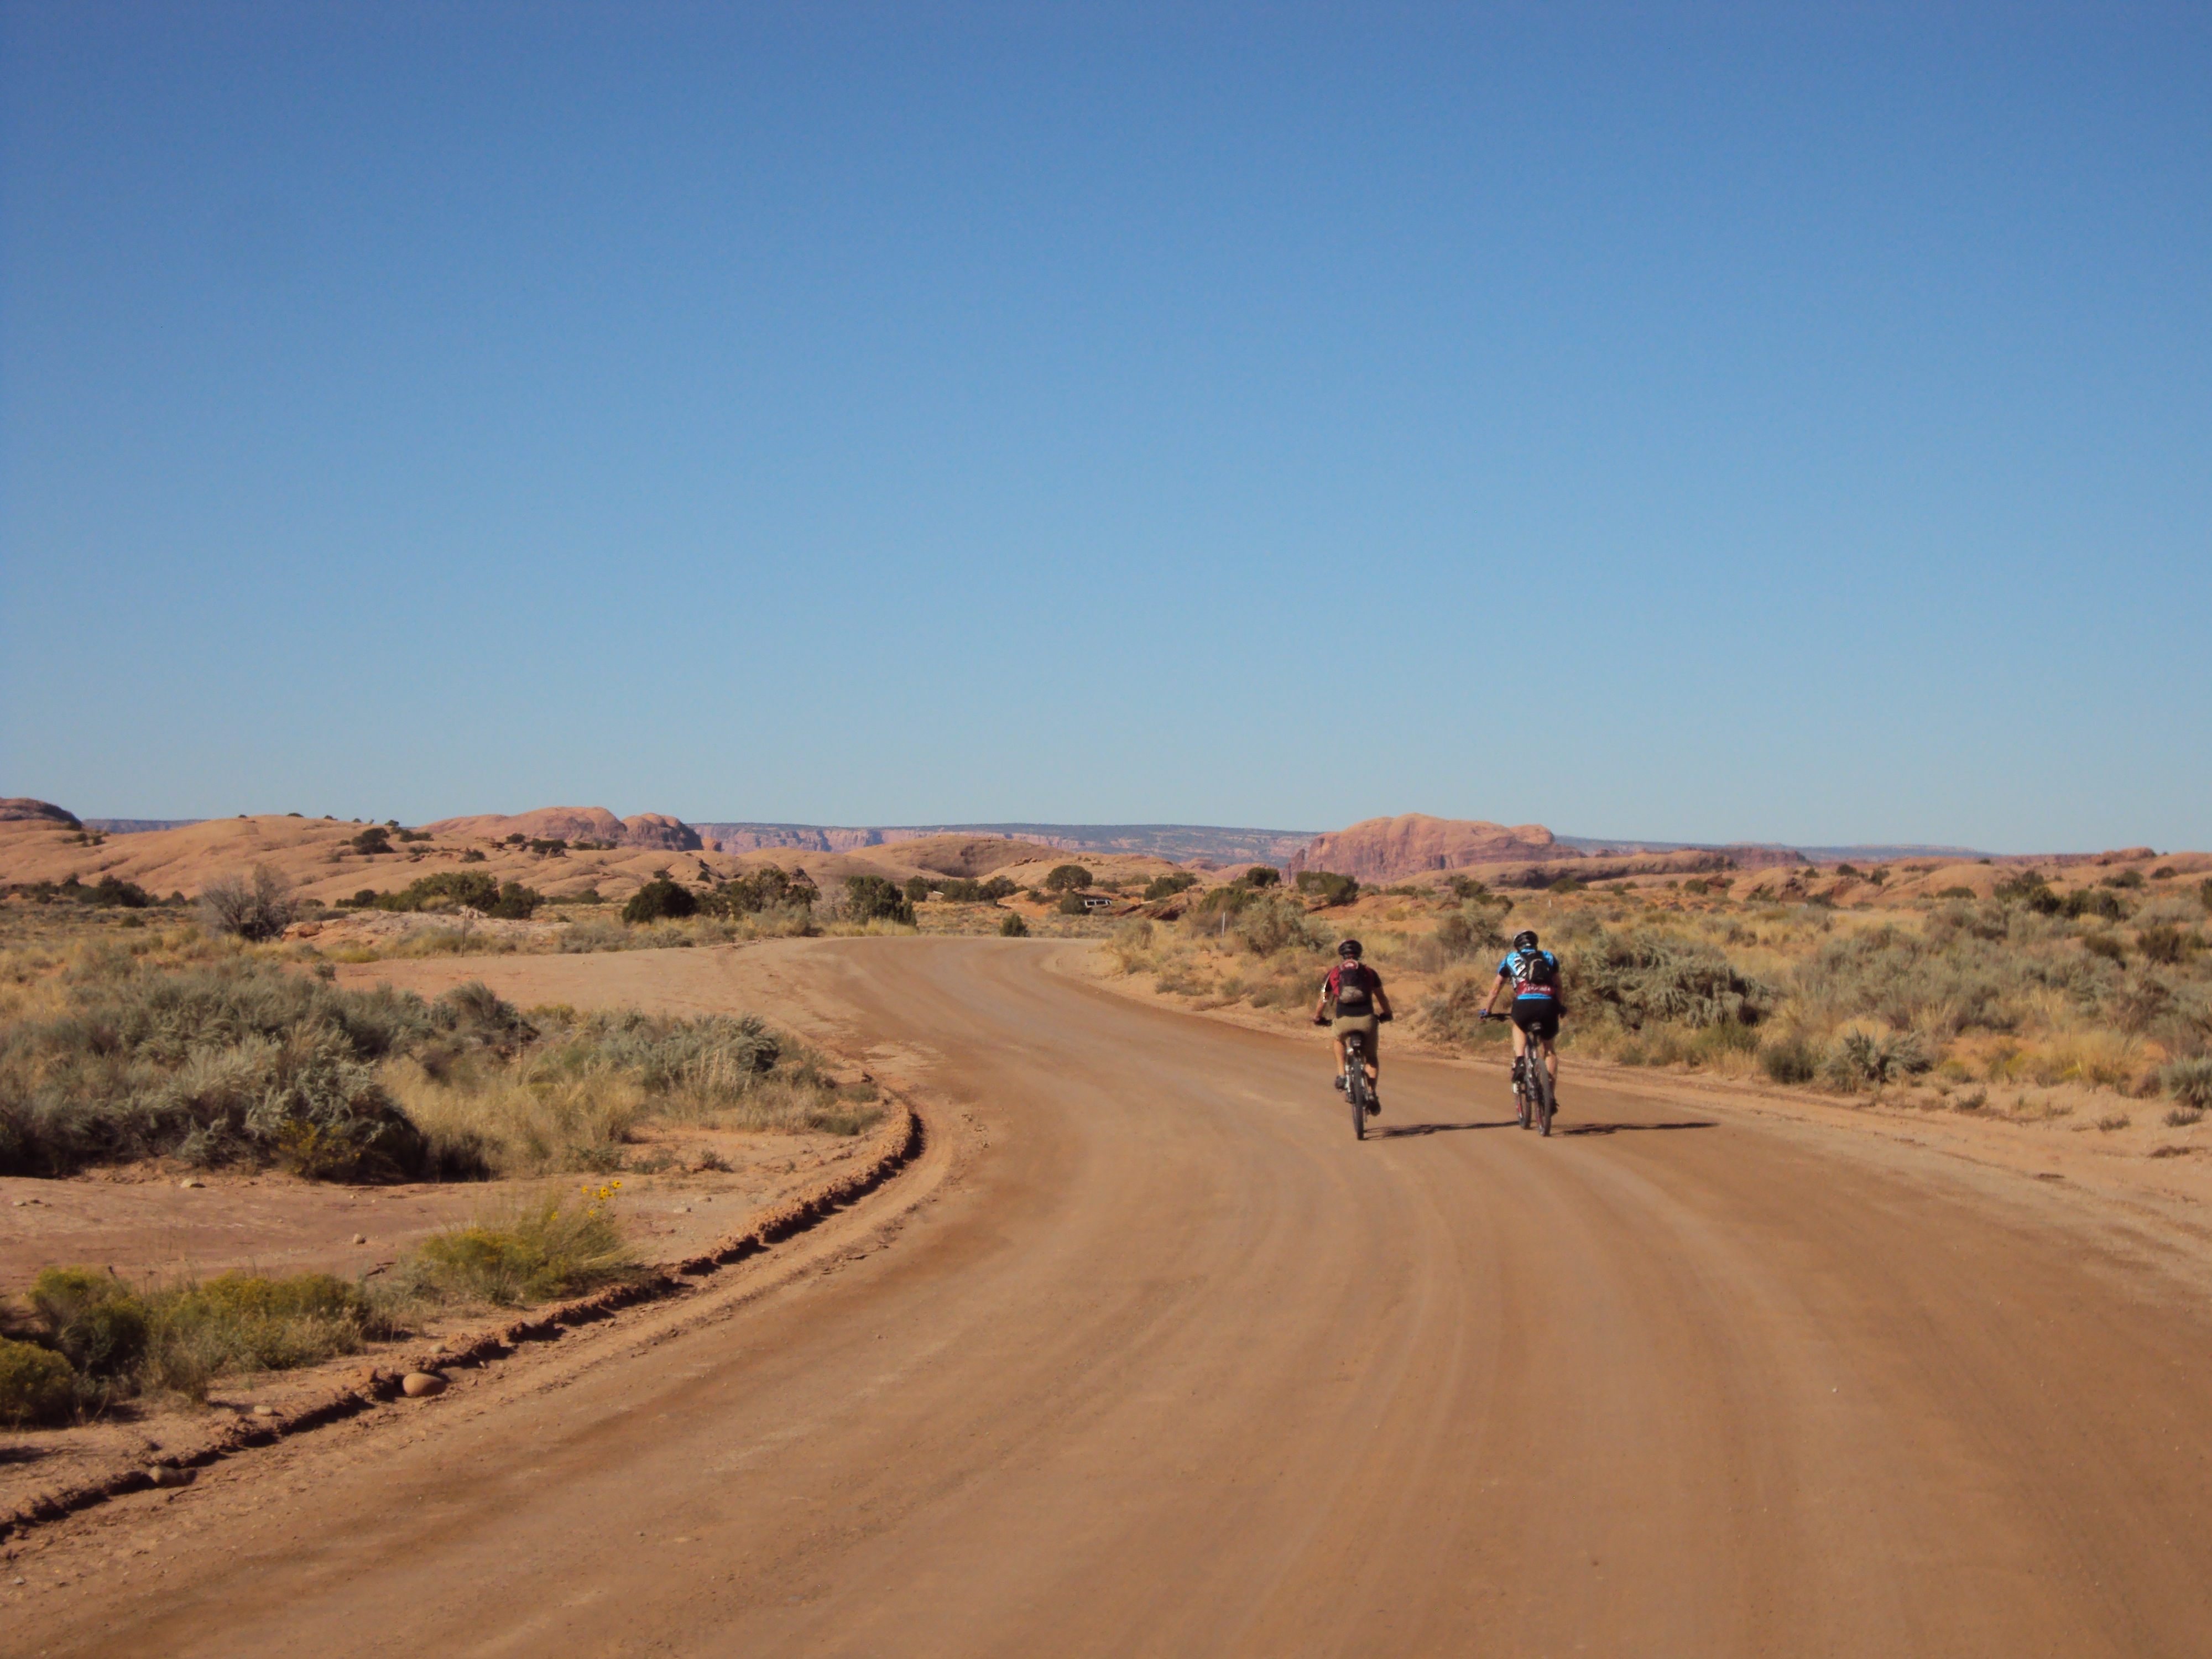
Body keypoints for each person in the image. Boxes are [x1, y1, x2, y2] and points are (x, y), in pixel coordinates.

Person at [1479, 928, 1564, 1111]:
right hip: (1548, 1004)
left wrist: (1488, 1010)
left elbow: (1496, 988)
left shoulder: (1511, 959)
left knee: (1518, 1024)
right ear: (1535, 943)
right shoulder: (1548, 957)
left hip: (1524, 1004)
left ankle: (1520, 1061)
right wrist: (1560, 1006)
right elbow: (1558, 984)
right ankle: (1549, 1096)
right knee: (1549, 1049)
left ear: (1517, 945)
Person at [1312, 938, 1393, 1115]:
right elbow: (1381, 997)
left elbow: (1324, 999)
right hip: (1367, 1020)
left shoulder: (1334, 972)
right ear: (1359, 954)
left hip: (1344, 1019)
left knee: (1338, 1039)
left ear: (1341, 955)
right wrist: (1387, 1014)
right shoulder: (1369, 972)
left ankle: (1342, 1074)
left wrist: (1318, 1017)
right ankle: (1371, 1093)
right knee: (1371, 1057)